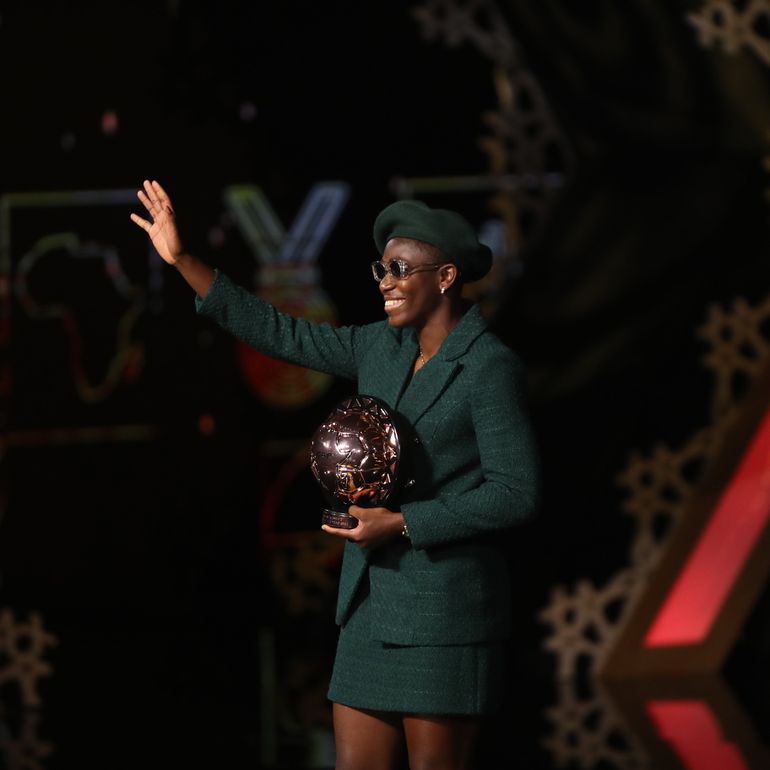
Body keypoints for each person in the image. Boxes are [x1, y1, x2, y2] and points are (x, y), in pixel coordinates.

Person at [130, 179, 541, 770]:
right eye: (381, 270)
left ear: (446, 277)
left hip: (444, 615)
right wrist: (183, 260)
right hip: (369, 608)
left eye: (400, 269)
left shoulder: (488, 367)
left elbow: (515, 493)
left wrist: (402, 523)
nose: (385, 282)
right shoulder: (380, 347)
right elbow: (281, 332)